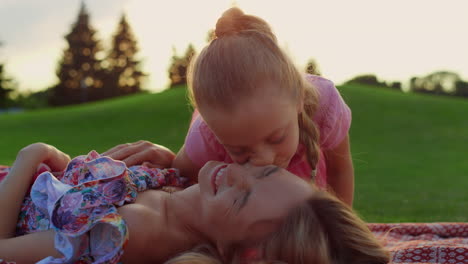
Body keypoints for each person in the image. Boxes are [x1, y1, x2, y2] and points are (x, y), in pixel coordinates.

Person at [104, 7, 354, 206]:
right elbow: (178, 184)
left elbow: (340, 172)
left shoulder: (324, 105)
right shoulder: (204, 139)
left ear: (298, 99)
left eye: (277, 137)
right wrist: (168, 159)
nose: (264, 160)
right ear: (215, 133)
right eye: (240, 151)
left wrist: (342, 238)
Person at [0, 143, 388, 264]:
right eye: (263, 172)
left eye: (241, 198)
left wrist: (31, 157)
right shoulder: (181, 184)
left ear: (243, 256)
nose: (237, 173)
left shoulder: (121, 234)